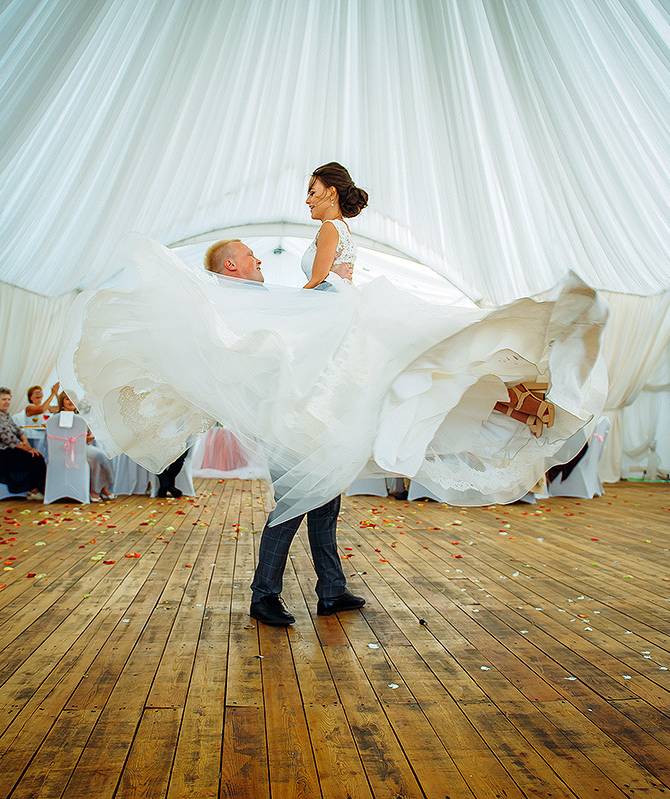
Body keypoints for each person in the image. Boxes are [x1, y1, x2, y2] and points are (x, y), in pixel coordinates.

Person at [59, 171, 607, 624]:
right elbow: (309, 300)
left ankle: (329, 588)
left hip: (314, 391)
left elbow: (316, 296)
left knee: (324, 493)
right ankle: (267, 595)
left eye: (313, 191)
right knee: (300, 498)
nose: (256, 257)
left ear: (331, 193)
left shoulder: (298, 267)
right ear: (232, 266)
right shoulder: (249, 298)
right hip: (292, 411)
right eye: (248, 255)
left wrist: (300, 323)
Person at [300, 162, 366, 290]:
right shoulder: (341, 227)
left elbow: (317, 279)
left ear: (331, 192)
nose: (308, 200)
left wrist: (293, 302)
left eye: (312, 193)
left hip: (328, 299)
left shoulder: (330, 227)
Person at [0, 387, 45, 499]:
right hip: (3, 450)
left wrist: (25, 440)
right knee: (35, 457)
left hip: (11, 447)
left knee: (37, 455)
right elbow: (6, 437)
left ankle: (37, 489)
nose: (7, 402)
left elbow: (17, 430)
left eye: (8, 399)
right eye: (4, 399)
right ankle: (34, 490)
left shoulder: (4, 414)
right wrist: (27, 448)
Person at [58, 392, 114, 500]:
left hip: (82, 447)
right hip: (69, 450)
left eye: (73, 398)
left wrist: (86, 439)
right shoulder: (61, 417)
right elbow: (65, 438)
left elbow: (84, 436)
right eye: (67, 399)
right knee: (97, 457)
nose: (70, 401)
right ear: (62, 402)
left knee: (106, 454)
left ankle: (102, 488)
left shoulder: (80, 417)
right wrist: (85, 440)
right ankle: (96, 490)